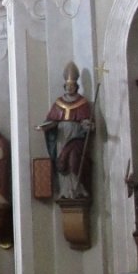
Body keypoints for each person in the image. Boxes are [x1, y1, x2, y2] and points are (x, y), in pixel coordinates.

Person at [39, 63, 94, 200]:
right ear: (65, 87)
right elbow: (51, 120)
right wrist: (46, 126)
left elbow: (87, 123)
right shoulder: (58, 103)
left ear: (76, 86)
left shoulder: (82, 102)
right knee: (62, 161)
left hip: (76, 137)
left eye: (72, 86)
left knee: (74, 160)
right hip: (62, 138)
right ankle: (65, 190)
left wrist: (88, 125)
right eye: (68, 86)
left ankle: (78, 188)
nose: (70, 88)